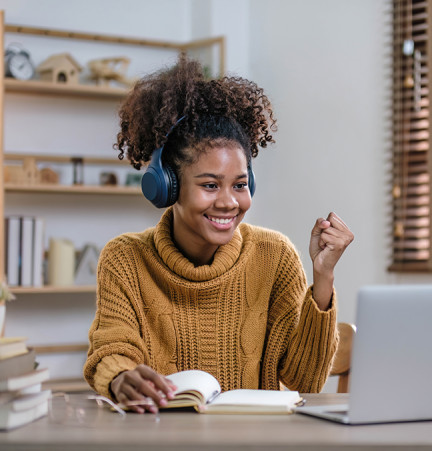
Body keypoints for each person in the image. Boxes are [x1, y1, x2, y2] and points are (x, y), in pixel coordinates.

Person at [83, 55, 354, 413]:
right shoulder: (125, 259)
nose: (228, 202)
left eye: (240, 184)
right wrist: (120, 377)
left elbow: (306, 383)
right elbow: (112, 349)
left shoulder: (274, 255)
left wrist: (323, 276)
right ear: (167, 186)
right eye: (210, 185)